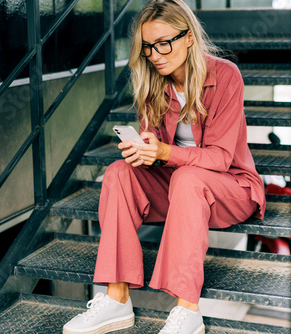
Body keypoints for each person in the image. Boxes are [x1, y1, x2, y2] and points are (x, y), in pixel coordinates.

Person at [63, 0, 266, 333]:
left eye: (163, 43)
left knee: (187, 177)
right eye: (147, 48)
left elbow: (219, 158)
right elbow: (157, 149)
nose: (155, 54)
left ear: (188, 37)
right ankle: (116, 300)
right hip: (178, 188)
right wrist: (144, 149)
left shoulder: (226, 76)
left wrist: (163, 152)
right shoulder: (153, 81)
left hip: (231, 188)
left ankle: (188, 311)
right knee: (118, 173)